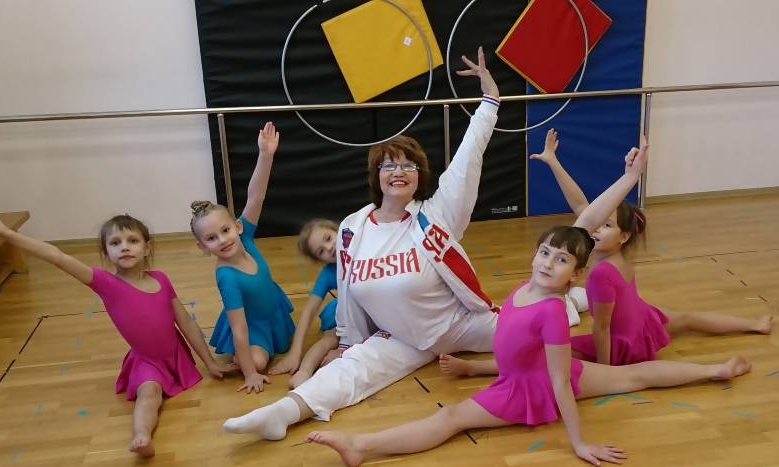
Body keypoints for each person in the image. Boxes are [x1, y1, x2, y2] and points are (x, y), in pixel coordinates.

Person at [305, 138, 752, 467]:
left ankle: (363, 446)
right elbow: (585, 219)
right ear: (534, 255)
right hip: (523, 373)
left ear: (575, 276)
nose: (548, 263)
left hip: (531, 389)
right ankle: (714, 370)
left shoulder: (553, 311)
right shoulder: (529, 287)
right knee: (633, 375)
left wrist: (579, 443)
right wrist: (628, 178)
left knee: (456, 417)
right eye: (545, 254)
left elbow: (559, 383)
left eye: (561, 261)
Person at [221, 47, 502, 440]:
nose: (399, 171)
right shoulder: (354, 227)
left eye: (408, 165)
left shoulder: (437, 213)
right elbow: (349, 291)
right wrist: (348, 342)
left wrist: (489, 100)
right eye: (389, 165)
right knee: (347, 370)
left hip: (461, 325)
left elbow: (469, 157)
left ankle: (575, 301)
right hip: (402, 337)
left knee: (540, 326)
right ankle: (281, 413)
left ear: (419, 176)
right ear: (377, 176)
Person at [0, 202, 234, 457]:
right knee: (149, 395)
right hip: (147, 362)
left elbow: (186, 322)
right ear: (106, 252)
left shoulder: (161, 279)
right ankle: (141, 435)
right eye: (115, 242)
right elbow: (57, 256)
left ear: (147, 248)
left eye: (132, 240)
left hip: (175, 355)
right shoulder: (106, 283)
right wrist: (7, 233)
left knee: (157, 392)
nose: (124, 247)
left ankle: (145, 428)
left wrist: (210, 363)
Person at [532, 128, 773, 365]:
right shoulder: (615, 254)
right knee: (688, 318)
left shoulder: (601, 272)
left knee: (549, 352)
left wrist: (606, 367)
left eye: (606, 225)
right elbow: (580, 205)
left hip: (626, 341)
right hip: (644, 319)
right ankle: (754, 324)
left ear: (623, 236)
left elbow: (602, 328)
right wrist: (553, 161)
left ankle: (750, 329)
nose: (595, 229)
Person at [190, 121, 295, 394]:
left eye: (225, 231)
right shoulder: (227, 276)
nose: (222, 240)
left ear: (237, 226)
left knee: (282, 343)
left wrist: (266, 155)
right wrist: (250, 373)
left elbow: (256, 196)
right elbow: (239, 328)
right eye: (211, 238)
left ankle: (262, 344)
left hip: (271, 310)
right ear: (202, 246)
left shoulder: (245, 236)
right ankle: (242, 357)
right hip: (250, 325)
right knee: (259, 362)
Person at [267, 218, 340, 388]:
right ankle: (304, 372)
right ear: (320, 260)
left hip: (376, 309)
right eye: (321, 251)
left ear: (338, 230)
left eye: (328, 238)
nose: (329, 248)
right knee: (330, 338)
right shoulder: (328, 274)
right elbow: (309, 311)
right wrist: (295, 352)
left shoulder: (365, 248)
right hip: (347, 312)